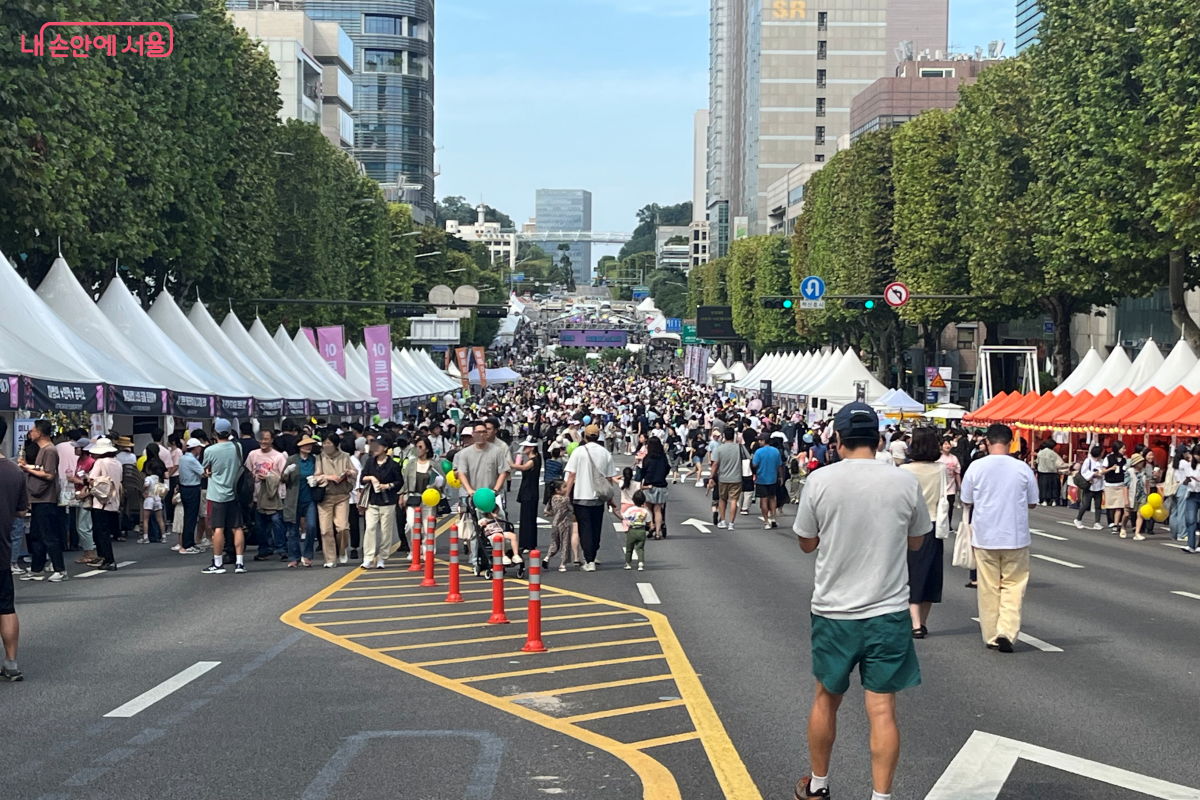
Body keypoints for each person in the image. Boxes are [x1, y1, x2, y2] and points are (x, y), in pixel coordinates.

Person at [792, 402, 929, 800]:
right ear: (880, 439)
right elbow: (918, 541)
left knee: (826, 697)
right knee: (883, 709)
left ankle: (818, 785)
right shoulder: (903, 482)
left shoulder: (820, 481)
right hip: (887, 610)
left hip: (835, 610)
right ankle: (881, 796)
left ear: (837, 440)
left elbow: (805, 543)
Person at [959, 423, 1038, 653]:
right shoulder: (1022, 468)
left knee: (988, 586)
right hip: (1016, 536)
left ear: (987, 442)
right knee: (1014, 586)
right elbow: (1033, 502)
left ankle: (992, 634)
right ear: (1010, 441)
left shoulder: (976, 467)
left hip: (985, 535)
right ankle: (1007, 631)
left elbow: (966, 500)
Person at [900, 429, 946, 640]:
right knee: (931, 575)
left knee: (912, 574)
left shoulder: (904, 470)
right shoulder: (942, 469)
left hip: (909, 527)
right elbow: (947, 497)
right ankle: (922, 622)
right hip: (935, 525)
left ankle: (915, 622)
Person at [563, 423, 617, 572]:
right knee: (596, 527)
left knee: (585, 527)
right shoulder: (605, 452)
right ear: (598, 436)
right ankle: (593, 553)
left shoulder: (578, 451)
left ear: (585, 436)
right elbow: (609, 478)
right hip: (599, 496)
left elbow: (571, 475)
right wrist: (610, 498)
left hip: (581, 495)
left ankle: (589, 560)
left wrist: (566, 495)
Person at [18, 419, 66, 582]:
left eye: (32, 430)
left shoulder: (50, 450)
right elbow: (40, 469)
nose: (30, 433)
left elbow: (49, 474)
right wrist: (28, 467)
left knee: (49, 535)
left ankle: (60, 569)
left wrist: (26, 469)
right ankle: (36, 569)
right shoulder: (42, 450)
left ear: (39, 432)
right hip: (38, 499)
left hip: (46, 499)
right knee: (36, 535)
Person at [200, 419, 247, 575]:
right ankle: (239, 562)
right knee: (237, 527)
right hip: (234, 493)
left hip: (216, 494)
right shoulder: (237, 447)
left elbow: (205, 469)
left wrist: (208, 472)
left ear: (215, 433)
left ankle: (218, 563)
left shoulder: (210, 450)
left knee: (218, 529)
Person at [0, 418, 28, 680]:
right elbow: (21, 511)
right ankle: (11, 663)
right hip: (2, 551)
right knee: (6, 607)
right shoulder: (14, 472)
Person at [359, 435, 401, 569]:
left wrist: (387, 486)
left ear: (385, 448)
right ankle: (368, 558)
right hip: (372, 500)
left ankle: (382, 557)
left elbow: (399, 482)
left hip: (388, 501)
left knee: (386, 531)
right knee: (370, 528)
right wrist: (371, 477)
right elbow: (362, 479)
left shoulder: (393, 464)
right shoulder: (370, 462)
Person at [246, 429, 287, 562]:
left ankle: (282, 549)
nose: (263, 441)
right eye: (261, 439)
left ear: (272, 440)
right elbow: (248, 473)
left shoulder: (278, 456)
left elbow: (284, 476)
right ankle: (263, 550)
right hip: (258, 494)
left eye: (266, 439)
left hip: (275, 495)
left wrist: (269, 477)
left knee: (277, 522)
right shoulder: (253, 455)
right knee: (260, 525)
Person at [316, 433, 355, 568]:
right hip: (325, 496)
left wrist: (349, 473)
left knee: (343, 527)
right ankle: (330, 558)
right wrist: (328, 477)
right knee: (325, 530)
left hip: (342, 495)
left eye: (329, 443)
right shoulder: (319, 458)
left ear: (335, 444)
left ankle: (342, 549)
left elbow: (355, 473)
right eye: (324, 443)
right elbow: (315, 477)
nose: (326, 446)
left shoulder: (345, 456)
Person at [82, 438, 121, 573]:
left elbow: (92, 480)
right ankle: (106, 559)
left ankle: (108, 559)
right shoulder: (118, 463)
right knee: (107, 532)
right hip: (114, 501)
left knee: (101, 533)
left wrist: (85, 480)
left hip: (100, 502)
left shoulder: (100, 463)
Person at [281, 435, 320, 568]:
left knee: (311, 526)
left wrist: (316, 480)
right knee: (293, 530)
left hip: (310, 499)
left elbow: (319, 474)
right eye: (304, 445)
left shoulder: (314, 460)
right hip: (294, 499)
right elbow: (283, 479)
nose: (308, 447)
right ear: (299, 446)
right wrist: (286, 472)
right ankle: (294, 557)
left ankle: (308, 555)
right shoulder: (292, 459)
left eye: (309, 444)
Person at [709, 427, 745, 531]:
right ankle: (731, 523)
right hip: (736, 477)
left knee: (722, 499)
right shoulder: (739, 447)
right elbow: (747, 459)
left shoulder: (719, 449)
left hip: (723, 478)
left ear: (724, 436)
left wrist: (711, 476)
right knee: (733, 500)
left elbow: (715, 463)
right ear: (734, 436)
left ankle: (723, 520)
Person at [511, 437, 542, 554]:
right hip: (529, 491)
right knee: (526, 518)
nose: (524, 448)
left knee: (528, 519)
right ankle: (527, 543)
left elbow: (524, 467)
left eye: (526, 447)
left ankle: (528, 544)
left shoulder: (534, 460)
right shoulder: (534, 458)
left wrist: (511, 465)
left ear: (532, 448)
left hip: (530, 492)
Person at [177, 438, 204, 555]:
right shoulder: (192, 460)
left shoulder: (183, 458)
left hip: (184, 488)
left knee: (188, 516)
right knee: (191, 517)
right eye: (199, 448)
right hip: (192, 488)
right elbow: (203, 473)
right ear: (196, 448)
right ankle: (187, 544)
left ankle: (189, 542)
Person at [639, 437, 670, 539]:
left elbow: (643, 471)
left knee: (648, 507)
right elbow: (667, 469)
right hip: (661, 485)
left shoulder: (647, 458)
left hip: (649, 485)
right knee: (658, 510)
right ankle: (657, 533)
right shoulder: (663, 458)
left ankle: (651, 524)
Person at [138, 443, 168, 545]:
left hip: (149, 497)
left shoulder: (147, 464)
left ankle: (147, 536)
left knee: (146, 518)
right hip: (158, 496)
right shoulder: (161, 463)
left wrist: (142, 491)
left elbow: (145, 482)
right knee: (160, 518)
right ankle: (163, 535)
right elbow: (166, 475)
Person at [752, 432, 783, 530]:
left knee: (763, 500)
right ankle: (773, 518)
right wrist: (781, 477)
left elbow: (754, 464)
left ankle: (766, 522)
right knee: (772, 498)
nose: (759, 442)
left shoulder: (758, 452)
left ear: (764, 441)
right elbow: (779, 465)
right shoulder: (776, 451)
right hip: (773, 478)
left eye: (760, 440)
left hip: (761, 478)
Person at [1074, 445, 1105, 530]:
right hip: (1090, 485)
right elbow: (1084, 471)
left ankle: (1097, 522)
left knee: (1098, 505)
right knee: (1086, 504)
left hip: (1099, 485)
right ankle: (1078, 519)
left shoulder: (1102, 461)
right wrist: (1093, 474)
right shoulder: (1088, 461)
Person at [1102, 441, 1129, 532]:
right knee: (1110, 505)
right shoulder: (1108, 458)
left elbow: (1126, 470)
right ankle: (1112, 522)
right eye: (1123, 448)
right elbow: (1103, 471)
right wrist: (1111, 468)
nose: (1124, 450)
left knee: (1119, 506)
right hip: (1109, 485)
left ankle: (1116, 524)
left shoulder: (1124, 459)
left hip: (1120, 484)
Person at [622, 489, 650, 571]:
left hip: (632, 530)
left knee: (629, 548)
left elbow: (624, 517)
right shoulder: (645, 511)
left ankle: (628, 563)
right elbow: (648, 521)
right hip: (641, 530)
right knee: (640, 548)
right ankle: (640, 563)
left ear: (633, 500)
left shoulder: (630, 509)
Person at [1035, 439, 1067, 506]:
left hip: (1042, 472)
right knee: (1053, 488)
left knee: (1043, 487)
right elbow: (1059, 464)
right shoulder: (1054, 454)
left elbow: (1037, 462)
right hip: (1052, 473)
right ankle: (1053, 501)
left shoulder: (1040, 452)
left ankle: (1044, 500)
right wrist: (1068, 465)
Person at [938, 437, 961, 528]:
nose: (947, 446)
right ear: (941, 446)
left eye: (949, 444)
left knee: (950, 507)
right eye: (945, 444)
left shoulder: (954, 458)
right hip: (940, 487)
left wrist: (959, 485)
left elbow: (957, 473)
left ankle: (948, 525)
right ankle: (940, 525)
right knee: (940, 507)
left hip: (951, 487)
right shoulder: (938, 458)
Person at [1127, 453, 1151, 541]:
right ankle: (1122, 527)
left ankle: (1137, 532)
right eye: (1139, 462)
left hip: (1142, 495)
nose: (1141, 463)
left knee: (1140, 514)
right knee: (1127, 514)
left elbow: (1147, 484)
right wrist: (1126, 499)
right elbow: (1125, 486)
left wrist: (1148, 495)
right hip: (1132, 495)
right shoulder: (1129, 471)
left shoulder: (1144, 472)